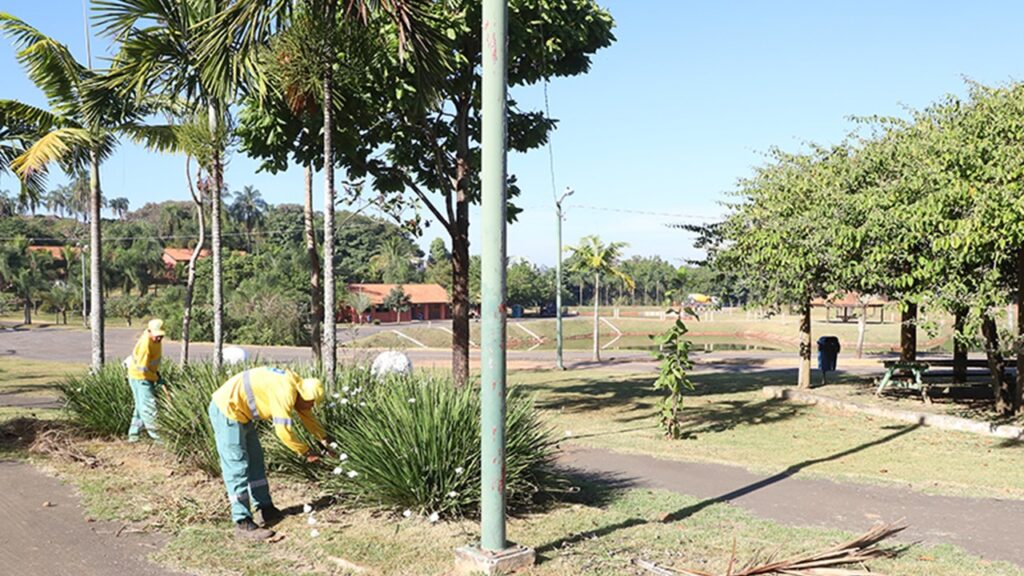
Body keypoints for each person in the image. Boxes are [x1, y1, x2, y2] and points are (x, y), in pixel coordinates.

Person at [208, 366, 333, 540]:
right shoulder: (286, 392)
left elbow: (308, 418)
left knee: (256, 461)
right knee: (237, 465)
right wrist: (306, 452)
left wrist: (326, 441)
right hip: (227, 410)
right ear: (305, 396)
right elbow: (283, 431)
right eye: (311, 403)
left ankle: (265, 509)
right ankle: (242, 522)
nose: (311, 407)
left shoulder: (297, 387)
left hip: (242, 414)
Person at [127, 318, 165, 442]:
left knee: (139, 406)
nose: (159, 338)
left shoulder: (155, 341)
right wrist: (155, 378)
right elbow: (143, 369)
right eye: (156, 336)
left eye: (161, 336)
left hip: (144, 376)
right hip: (140, 378)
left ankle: (133, 434)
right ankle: (158, 436)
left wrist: (156, 374)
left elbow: (151, 364)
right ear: (149, 332)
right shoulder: (145, 345)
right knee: (148, 407)